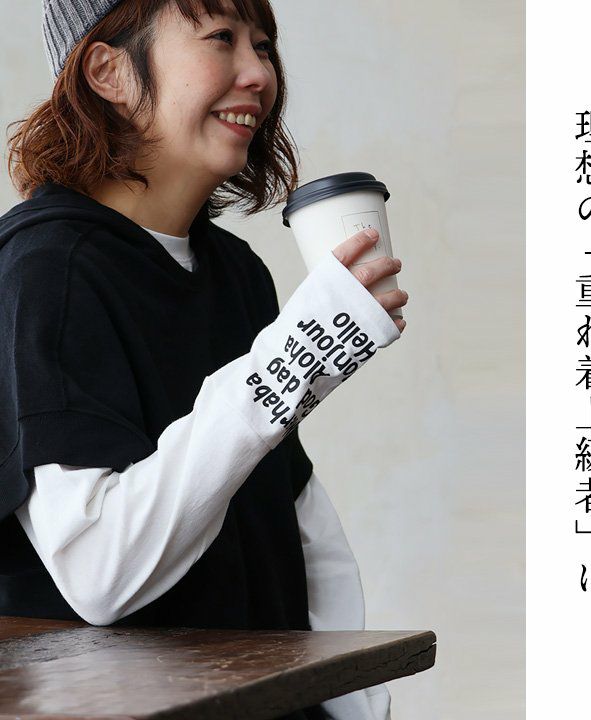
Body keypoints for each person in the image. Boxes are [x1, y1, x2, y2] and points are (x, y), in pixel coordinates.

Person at [0, 2, 409, 719]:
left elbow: (297, 516)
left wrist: (356, 704)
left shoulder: (236, 271)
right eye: (220, 38)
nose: (259, 74)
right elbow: (99, 573)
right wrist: (293, 359)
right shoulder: (47, 269)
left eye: (264, 45)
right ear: (108, 72)